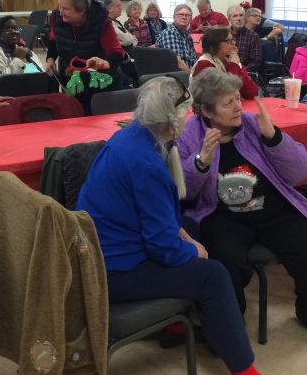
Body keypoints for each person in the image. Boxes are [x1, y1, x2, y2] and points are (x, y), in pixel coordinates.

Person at [76, 77, 264, 375]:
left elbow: (152, 214)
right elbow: (163, 248)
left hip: (102, 251)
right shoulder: (147, 164)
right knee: (212, 274)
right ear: (174, 118)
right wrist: (193, 252)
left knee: (191, 225)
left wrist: (184, 234)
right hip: (111, 272)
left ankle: (178, 324)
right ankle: (242, 366)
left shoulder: (132, 136)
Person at [177, 68, 307, 346]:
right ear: (206, 110)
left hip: (274, 209)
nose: (238, 106)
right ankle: (227, 327)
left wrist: (273, 137)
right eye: (228, 103)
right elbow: (184, 192)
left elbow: (301, 170)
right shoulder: (189, 133)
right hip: (222, 215)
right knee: (224, 262)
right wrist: (201, 160)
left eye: (238, 98)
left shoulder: (253, 124)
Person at [45, 0, 126, 112]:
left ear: (82, 10)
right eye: (59, 6)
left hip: (100, 85)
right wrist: (50, 58)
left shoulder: (102, 23)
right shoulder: (57, 18)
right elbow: (54, 40)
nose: (60, 12)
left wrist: (105, 64)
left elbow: (117, 52)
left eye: (65, 9)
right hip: (73, 82)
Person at [0, 16, 45, 98]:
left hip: (28, 95)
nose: (13, 31)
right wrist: (18, 59)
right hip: (3, 99)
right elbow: (0, 84)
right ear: (1, 33)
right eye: (8, 29)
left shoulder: (26, 52)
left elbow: (42, 74)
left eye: (15, 28)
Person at [191, 26, 257, 99]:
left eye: (232, 40)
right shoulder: (204, 64)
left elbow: (252, 93)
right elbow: (226, 94)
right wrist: (233, 65)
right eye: (228, 41)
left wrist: (237, 65)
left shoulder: (230, 58)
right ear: (214, 44)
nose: (233, 43)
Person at [156, 3, 196, 72]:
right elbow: (177, 63)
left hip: (190, 72)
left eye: (187, 15)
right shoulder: (170, 33)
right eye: (180, 14)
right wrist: (192, 77)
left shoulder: (187, 35)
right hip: (176, 77)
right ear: (174, 17)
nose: (184, 17)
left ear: (191, 19)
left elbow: (193, 59)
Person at [228, 5, 261, 72]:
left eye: (241, 15)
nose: (239, 18)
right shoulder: (223, 34)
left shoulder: (253, 36)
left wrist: (240, 71)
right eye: (235, 16)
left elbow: (255, 62)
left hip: (243, 73)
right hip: (224, 73)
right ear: (229, 19)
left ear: (245, 18)